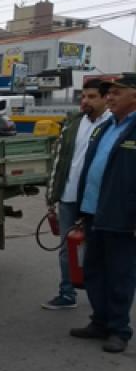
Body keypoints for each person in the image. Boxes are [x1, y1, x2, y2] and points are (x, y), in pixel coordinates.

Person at [71, 74, 136, 353]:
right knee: (94, 269)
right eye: (108, 93)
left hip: (123, 215)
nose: (110, 97)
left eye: (117, 93)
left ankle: (119, 329)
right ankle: (100, 321)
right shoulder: (107, 126)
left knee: (120, 273)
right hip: (94, 211)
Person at [43, 79, 110, 310]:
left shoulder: (113, 124)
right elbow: (58, 160)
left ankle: (100, 300)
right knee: (66, 249)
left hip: (96, 200)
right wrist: (52, 195)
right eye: (83, 96)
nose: (85, 101)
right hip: (68, 196)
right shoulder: (73, 123)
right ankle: (67, 292)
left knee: (97, 250)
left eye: (92, 97)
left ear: (105, 98)